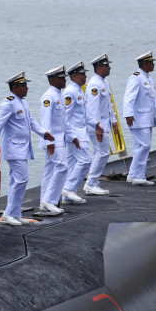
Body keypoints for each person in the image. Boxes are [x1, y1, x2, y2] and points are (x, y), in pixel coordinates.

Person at [0, 72, 53, 226]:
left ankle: (15, 213)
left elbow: (31, 122)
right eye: (24, 85)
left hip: (23, 148)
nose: (27, 88)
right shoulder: (8, 103)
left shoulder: (23, 103)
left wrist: (44, 133)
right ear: (15, 87)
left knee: (18, 180)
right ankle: (9, 213)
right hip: (13, 148)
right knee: (21, 179)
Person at [124, 51, 156, 186]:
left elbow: (152, 95)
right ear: (144, 64)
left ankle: (133, 175)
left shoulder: (148, 78)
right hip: (138, 118)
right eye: (151, 62)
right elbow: (128, 98)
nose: (153, 64)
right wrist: (128, 115)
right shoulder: (136, 78)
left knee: (139, 146)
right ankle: (138, 176)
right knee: (144, 146)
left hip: (147, 118)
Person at [82, 54, 117, 196]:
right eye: (106, 66)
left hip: (104, 124)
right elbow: (93, 108)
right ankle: (91, 183)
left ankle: (93, 182)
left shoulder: (104, 82)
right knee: (103, 152)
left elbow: (109, 104)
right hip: (97, 125)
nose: (109, 68)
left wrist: (113, 120)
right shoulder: (94, 84)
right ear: (99, 68)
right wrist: (97, 127)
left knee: (98, 152)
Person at [38, 66, 70, 215]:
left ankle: (44, 202)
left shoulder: (59, 95)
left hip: (57, 138)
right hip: (52, 139)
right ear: (52, 79)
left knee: (50, 170)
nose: (65, 80)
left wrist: (72, 137)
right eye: (61, 78)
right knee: (62, 167)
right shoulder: (48, 96)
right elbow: (46, 121)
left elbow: (63, 121)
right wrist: (49, 141)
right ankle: (50, 200)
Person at [61, 62, 91, 205]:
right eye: (82, 74)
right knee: (85, 160)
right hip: (74, 133)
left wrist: (96, 125)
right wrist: (71, 135)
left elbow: (83, 114)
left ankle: (67, 196)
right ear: (74, 76)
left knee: (73, 164)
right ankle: (68, 188)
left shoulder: (79, 90)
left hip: (81, 131)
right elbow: (65, 115)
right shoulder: (70, 92)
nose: (85, 76)